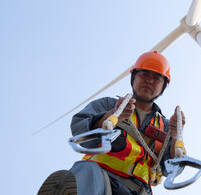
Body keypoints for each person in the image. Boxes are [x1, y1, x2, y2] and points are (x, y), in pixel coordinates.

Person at [38, 51, 185, 195]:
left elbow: (173, 170)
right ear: (133, 77)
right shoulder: (109, 105)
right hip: (99, 180)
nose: (149, 80)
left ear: (163, 86)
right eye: (144, 74)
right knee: (86, 172)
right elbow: (79, 130)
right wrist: (111, 115)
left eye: (156, 78)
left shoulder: (165, 126)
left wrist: (175, 137)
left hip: (137, 190)